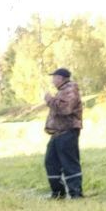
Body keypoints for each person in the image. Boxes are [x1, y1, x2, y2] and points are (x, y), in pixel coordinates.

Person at [44, 66, 83, 199]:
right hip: (57, 133)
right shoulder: (62, 91)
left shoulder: (70, 90)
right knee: (50, 162)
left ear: (61, 78)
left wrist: (49, 99)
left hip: (68, 132)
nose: (53, 81)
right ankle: (58, 193)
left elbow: (65, 109)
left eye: (54, 78)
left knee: (69, 163)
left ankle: (76, 193)